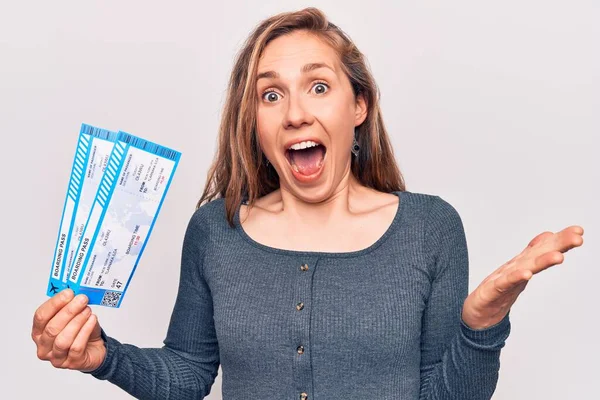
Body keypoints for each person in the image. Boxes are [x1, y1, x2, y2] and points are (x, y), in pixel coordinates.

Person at [32, 7, 584, 400]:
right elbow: (187, 376)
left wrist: (481, 324)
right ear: (254, 120)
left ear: (359, 105)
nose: (295, 112)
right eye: (271, 95)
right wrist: (101, 356)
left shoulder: (430, 228)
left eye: (318, 86)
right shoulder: (214, 231)